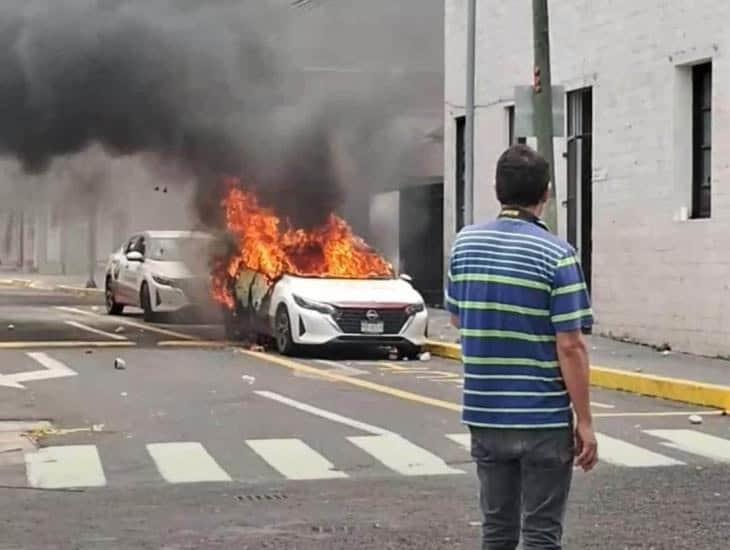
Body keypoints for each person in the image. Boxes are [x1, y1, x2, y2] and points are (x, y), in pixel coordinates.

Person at [446, 144, 598, 550]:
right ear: (545, 193)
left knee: (496, 530)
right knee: (541, 535)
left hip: (485, 414)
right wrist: (584, 421)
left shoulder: (465, 244)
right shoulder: (559, 256)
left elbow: (458, 318)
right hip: (543, 419)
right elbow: (571, 345)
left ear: (498, 190)